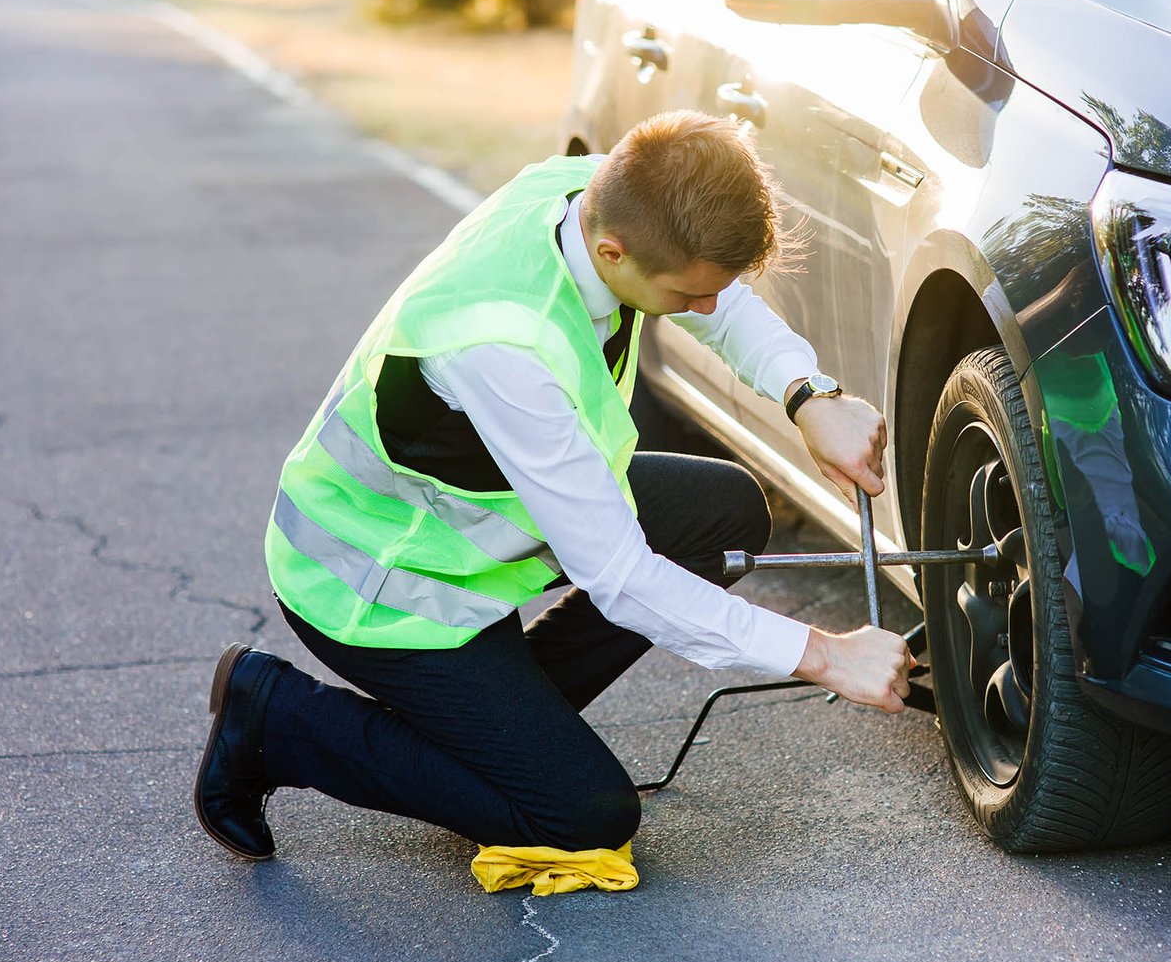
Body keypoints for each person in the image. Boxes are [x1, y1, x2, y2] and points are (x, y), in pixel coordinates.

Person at [194, 110, 916, 862]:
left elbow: (720, 295)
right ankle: (276, 717)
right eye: (688, 295)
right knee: (582, 814)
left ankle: (504, 728)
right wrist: (825, 654)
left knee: (725, 512)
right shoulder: (504, 348)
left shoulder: (596, 192)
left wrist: (810, 396)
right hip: (382, 586)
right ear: (613, 252)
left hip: (477, 539)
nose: (705, 308)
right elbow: (621, 578)